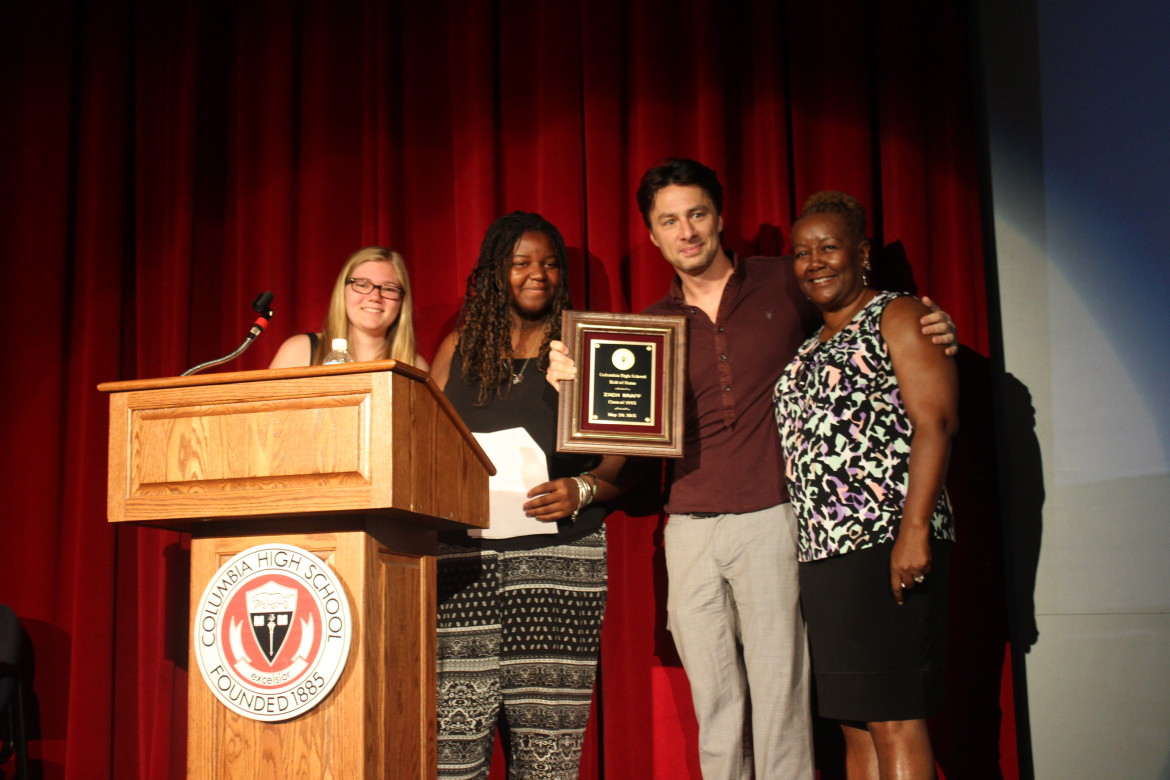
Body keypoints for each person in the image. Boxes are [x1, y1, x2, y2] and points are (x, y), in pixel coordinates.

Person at [547, 158, 957, 780]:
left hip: (776, 518)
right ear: (652, 235)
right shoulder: (643, 330)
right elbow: (621, 456)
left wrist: (935, 324)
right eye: (669, 222)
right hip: (688, 525)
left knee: (783, 703)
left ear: (719, 217)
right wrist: (575, 397)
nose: (686, 231)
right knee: (716, 709)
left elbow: (865, 313)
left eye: (697, 215)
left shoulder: (786, 280)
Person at [430, 211, 631, 780]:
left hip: (559, 564)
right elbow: (432, 447)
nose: (536, 273)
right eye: (521, 262)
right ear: (498, 272)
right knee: (453, 750)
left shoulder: (588, 348)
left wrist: (582, 488)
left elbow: (624, 456)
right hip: (461, 566)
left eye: (548, 263)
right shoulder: (458, 348)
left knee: (548, 754)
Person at [774, 191, 956, 780]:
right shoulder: (805, 352)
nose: (816, 261)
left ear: (862, 253)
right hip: (826, 555)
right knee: (856, 722)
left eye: (829, 246)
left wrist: (915, 531)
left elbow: (936, 421)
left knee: (896, 717)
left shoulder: (898, 315)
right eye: (802, 252)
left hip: (887, 542)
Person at [268, 245, 429, 369]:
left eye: (389, 289)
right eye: (362, 285)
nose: (375, 297)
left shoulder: (415, 366)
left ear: (402, 301)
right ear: (342, 291)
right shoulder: (300, 350)